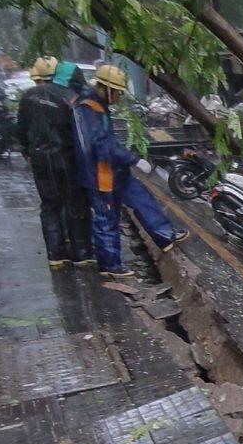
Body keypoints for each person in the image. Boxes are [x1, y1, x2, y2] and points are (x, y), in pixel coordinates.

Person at [71, 64, 186, 278]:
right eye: (118, 92)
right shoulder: (89, 109)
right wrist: (132, 158)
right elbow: (101, 145)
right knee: (107, 218)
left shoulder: (97, 106)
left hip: (114, 169)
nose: (119, 97)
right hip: (100, 173)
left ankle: (165, 236)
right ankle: (110, 266)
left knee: (142, 197)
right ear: (106, 89)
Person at [18, 56, 94, 268]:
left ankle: (55, 255)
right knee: (75, 205)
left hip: (40, 160)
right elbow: (80, 135)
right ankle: (81, 254)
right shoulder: (71, 99)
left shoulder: (29, 95)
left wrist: (27, 150)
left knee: (50, 206)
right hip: (66, 160)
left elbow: (20, 128)